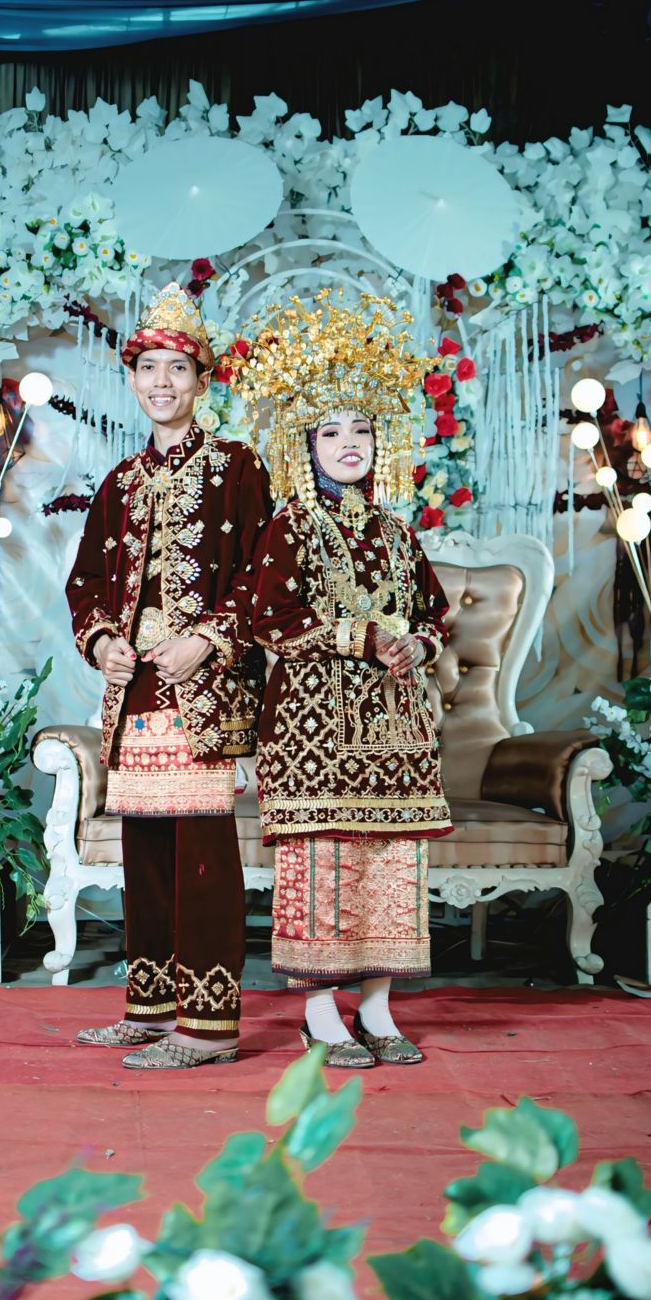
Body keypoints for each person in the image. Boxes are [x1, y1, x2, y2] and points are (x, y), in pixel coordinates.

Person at [236, 292, 453, 1068]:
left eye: (361, 428)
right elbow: (268, 619)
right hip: (312, 730)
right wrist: (361, 635)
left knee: (391, 865)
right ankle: (321, 1014)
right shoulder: (290, 525)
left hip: (395, 729)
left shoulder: (396, 530)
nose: (349, 443)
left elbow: (433, 612)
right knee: (324, 866)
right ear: (306, 446)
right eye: (330, 431)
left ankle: (380, 1010)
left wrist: (417, 646)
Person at [66, 283, 272, 1070]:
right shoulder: (120, 481)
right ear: (132, 379)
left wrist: (209, 640)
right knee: (146, 850)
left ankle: (209, 1027)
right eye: (148, 368)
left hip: (204, 689)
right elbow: (86, 582)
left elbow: (263, 576)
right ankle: (150, 1008)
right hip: (136, 690)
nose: (161, 382)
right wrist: (102, 643)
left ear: (202, 381)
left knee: (202, 856)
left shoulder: (236, 467)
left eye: (177, 369)